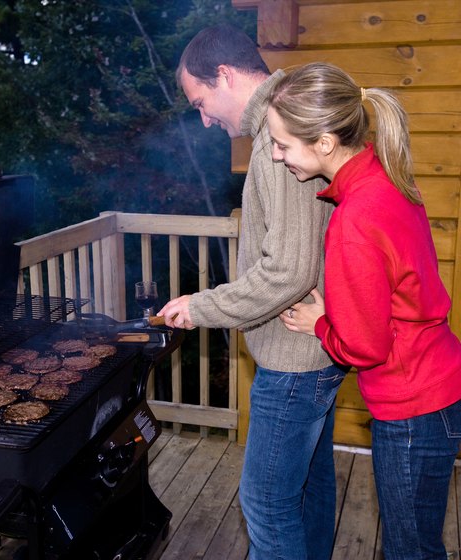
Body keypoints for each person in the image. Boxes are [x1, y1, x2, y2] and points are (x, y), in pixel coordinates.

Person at [157, 25, 347, 560]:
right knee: (309, 489)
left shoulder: (276, 137)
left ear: (223, 75)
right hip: (321, 347)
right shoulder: (296, 117)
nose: (204, 118)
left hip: (294, 361)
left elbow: (287, 271)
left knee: (264, 503)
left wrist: (203, 305)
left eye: (200, 102)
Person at [270, 61, 461, 560]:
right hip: (436, 384)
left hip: (412, 406)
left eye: (283, 144)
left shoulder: (354, 219)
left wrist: (322, 324)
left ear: (326, 143)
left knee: (410, 551)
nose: (275, 155)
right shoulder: (385, 176)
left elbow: (365, 346)